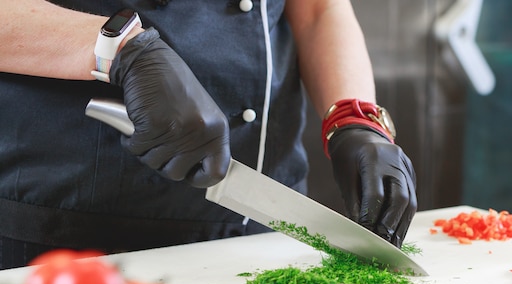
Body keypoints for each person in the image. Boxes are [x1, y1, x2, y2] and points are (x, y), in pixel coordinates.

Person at [0, 0, 417, 269]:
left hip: (266, 224)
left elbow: (319, 10)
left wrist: (354, 116)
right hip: (71, 239)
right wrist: (119, 51)